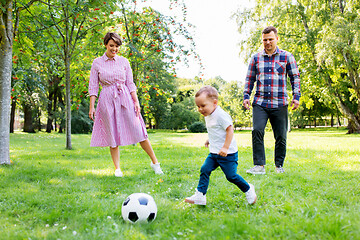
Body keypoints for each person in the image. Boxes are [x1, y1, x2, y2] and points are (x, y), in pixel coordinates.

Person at [88, 32, 163, 177]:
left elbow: (130, 83)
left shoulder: (124, 62)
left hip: (125, 99)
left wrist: (136, 101)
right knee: (112, 135)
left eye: (116, 46)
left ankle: (155, 163)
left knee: (139, 131)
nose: (114, 49)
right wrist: (92, 106)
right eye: (111, 46)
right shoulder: (97, 62)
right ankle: (117, 169)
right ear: (105, 44)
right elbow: (93, 86)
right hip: (106, 100)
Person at [243, 26, 301, 175]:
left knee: (281, 136)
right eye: (265, 40)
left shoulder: (287, 57)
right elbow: (250, 79)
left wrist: (296, 97)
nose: (267, 42)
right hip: (260, 102)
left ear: (276, 38)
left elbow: (295, 78)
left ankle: (279, 166)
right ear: (262, 40)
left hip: (280, 102)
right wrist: (246, 96)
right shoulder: (256, 58)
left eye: (270, 39)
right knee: (257, 131)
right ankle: (259, 166)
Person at [185, 86, 256, 205]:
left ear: (214, 103)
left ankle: (248, 189)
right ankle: (200, 196)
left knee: (231, 176)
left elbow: (229, 130)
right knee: (205, 169)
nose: (200, 109)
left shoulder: (221, 115)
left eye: (203, 105)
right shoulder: (208, 114)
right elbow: (216, 130)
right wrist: (210, 139)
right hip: (214, 153)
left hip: (227, 154)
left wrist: (225, 147)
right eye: (198, 106)